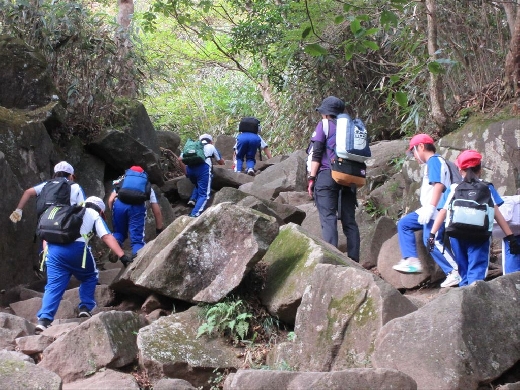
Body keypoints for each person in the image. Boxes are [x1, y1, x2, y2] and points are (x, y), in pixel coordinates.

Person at [35, 196, 131, 334]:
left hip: (53, 251)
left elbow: (47, 234)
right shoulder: (93, 214)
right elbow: (107, 236)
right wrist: (122, 256)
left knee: (53, 286)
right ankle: (86, 308)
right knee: (90, 276)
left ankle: (44, 320)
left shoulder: (66, 210)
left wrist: (47, 253)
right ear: (101, 211)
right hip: (77, 249)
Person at [428, 150, 520, 286]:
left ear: (460, 170)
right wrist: (510, 237)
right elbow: (498, 215)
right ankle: (475, 301)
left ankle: (464, 301)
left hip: (456, 235)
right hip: (480, 236)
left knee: (463, 272)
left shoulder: (454, 188)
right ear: (480, 169)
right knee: (476, 272)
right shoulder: (487, 187)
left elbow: (442, 212)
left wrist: (432, 234)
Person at [392, 134, 461, 288]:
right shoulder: (433, 162)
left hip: (437, 211)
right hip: (429, 210)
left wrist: (430, 207)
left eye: (413, 152)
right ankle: (411, 260)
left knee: (432, 240)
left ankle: (455, 271)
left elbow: (438, 186)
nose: (414, 157)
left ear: (421, 147)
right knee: (404, 224)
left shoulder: (435, 161)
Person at [9, 161, 86, 277]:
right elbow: (83, 207)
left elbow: (28, 192)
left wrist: (18, 210)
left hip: (45, 224)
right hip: (65, 225)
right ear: (70, 175)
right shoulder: (74, 186)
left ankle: (48, 270)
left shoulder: (46, 185)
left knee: (48, 249)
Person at [307, 96, 360, 262]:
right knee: (349, 221)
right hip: (349, 176)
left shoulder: (324, 125)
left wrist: (311, 178)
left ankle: (332, 261)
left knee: (328, 219)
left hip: (327, 175)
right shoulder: (351, 127)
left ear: (325, 113)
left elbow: (316, 154)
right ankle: (354, 260)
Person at [108, 166, 164, 258]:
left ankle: (116, 244)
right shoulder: (146, 185)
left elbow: (110, 200)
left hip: (119, 206)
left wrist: (113, 212)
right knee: (137, 240)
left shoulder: (123, 181)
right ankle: (138, 263)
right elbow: (156, 210)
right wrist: (159, 228)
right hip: (136, 208)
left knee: (118, 233)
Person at [183, 134, 225, 217]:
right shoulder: (211, 146)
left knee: (198, 184)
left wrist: (186, 172)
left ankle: (193, 198)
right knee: (204, 194)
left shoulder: (193, 146)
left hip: (190, 169)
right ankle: (194, 214)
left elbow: (180, 159)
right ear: (211, 141)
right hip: (203, 169)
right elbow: (220, 161)